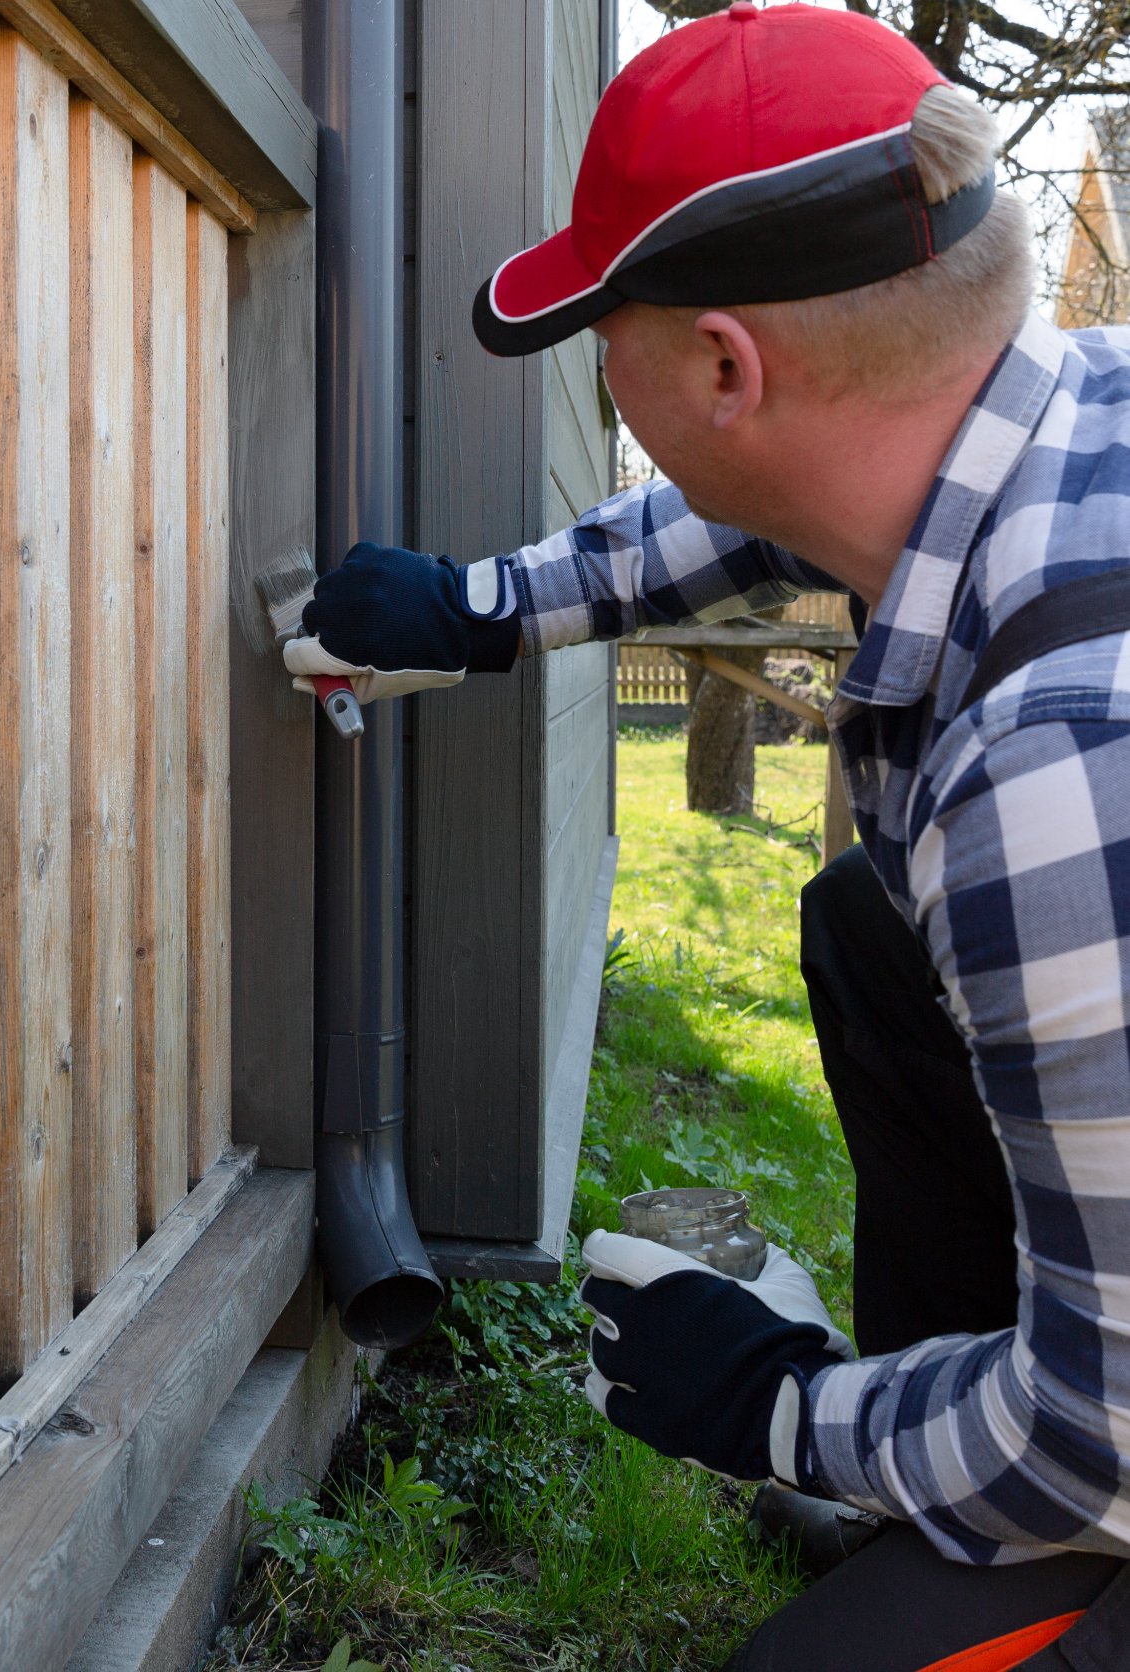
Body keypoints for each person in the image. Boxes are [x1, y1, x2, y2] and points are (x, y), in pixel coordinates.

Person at [286, 5, 1130, 1666]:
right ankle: (940, 1502)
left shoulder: (1059, 767)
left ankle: (1003, 1543)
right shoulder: (1060, 410)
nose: (600, 371)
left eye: (609, 332)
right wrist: (482, 606)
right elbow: (749, 519)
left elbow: (1108, 1438)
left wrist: (783, 1410)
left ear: (728, 368)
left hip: (1109, 1436)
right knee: (876, 928)